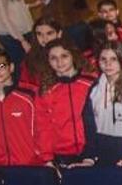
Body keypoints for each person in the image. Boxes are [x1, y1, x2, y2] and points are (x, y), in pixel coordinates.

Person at [36, 38, 95, 167]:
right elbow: (42, 127)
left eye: (64, 56)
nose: (59, 62)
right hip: (62, 155)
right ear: (47, 61)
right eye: (53, 58)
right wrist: (47, 158)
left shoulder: (91, 83)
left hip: (94, 152)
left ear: (73, 56)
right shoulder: (46, 91)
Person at [0, 48, 44, 166]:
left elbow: (44, 129)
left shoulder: (31, 94)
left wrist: (45, 158)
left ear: (11, 67)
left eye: (1, 66)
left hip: (31, 165)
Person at [20, 17, 63, 88]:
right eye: (39, 34)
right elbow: (26, 85)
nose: (44, 38)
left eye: (49, 33)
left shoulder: (70, 53)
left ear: (59, 34)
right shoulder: (30, 58)